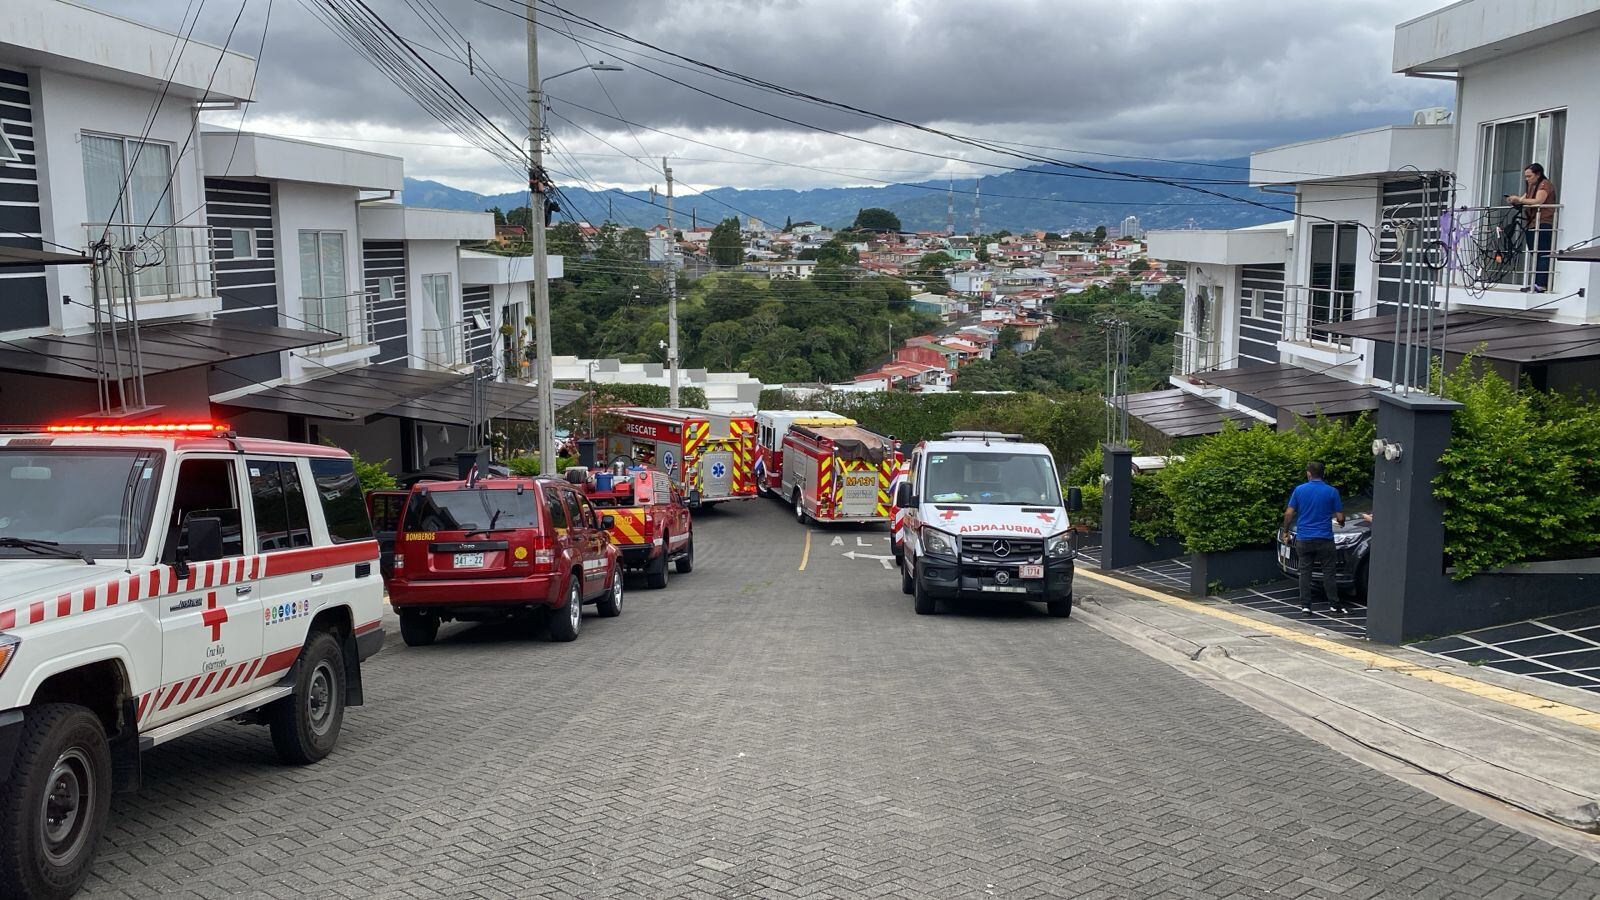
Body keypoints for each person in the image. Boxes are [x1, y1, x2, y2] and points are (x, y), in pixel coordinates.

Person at [1282, 460, 1345, 617]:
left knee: (1305, 572)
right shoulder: (1332, 492)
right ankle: (1334, 605)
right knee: (1329, 572)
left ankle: (1306, 606)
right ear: (1323, 474)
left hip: (1304, 538)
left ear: (1309, 473)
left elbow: (1289, 513)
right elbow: (1340, 517)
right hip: (1325, 538)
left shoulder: (1299, 490)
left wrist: (1286, 531)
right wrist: (1341, 523)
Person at [1506, 162, 1557, 293]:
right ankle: (1537, 283)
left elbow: (1538, 201)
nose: (1527, 179)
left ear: (1538, 174)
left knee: (1542, 254)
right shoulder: (1531, 187)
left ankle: (1541, 284)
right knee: (1536, 254)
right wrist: (1514, 200)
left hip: (1543, 223)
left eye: (1529, 176)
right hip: (1532, 223)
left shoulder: (1544, 184)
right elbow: (1524, 200)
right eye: (1526, 176)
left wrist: (1519, 199)